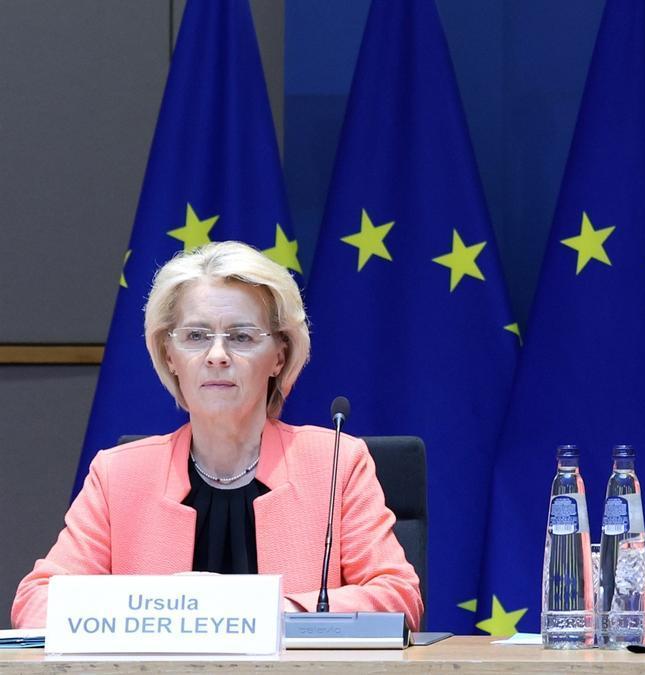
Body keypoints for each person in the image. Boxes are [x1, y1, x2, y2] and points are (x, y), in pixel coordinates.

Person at [12, 241, 422, 629]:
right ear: (170, 355)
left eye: (241, 337)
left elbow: (399, 598)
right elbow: (35, 605)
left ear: (279, 357)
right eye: (196, 336)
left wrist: (263, 611)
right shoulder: (119, 475)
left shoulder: (335, 463)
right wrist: (160, 610)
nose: (217, 355)